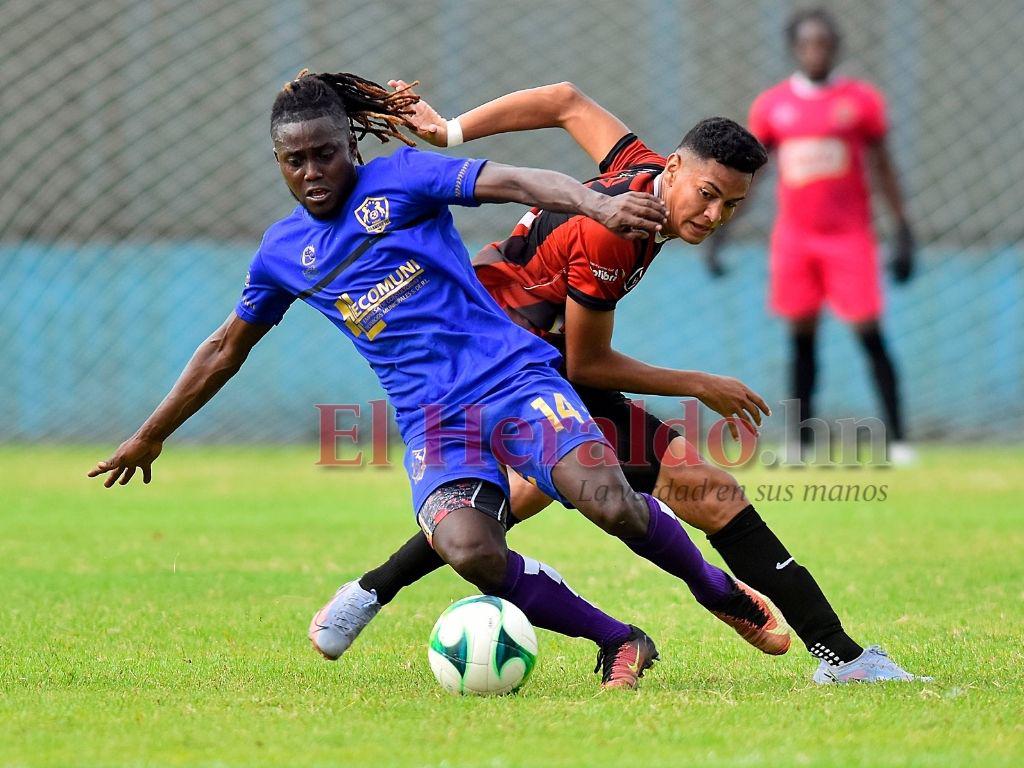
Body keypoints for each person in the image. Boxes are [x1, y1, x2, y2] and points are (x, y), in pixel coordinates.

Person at [87, 70, 776, 690]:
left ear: (351, 149)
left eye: (325, 153)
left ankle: (717, 590)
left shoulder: (403, 179)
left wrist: (599, 208)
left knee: (611, 504)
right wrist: (150, 436)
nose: (312, 171)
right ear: (279, 165)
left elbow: (521, 181)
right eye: (294, 161)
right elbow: (221, 350)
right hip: (434, 422)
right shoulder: (281, 255)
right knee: (470, 550)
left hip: (513, 379)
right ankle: (619, 639)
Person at [325, 78, 929, 684]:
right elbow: (588, 366)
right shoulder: (617, 232)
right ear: (675, 169)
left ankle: (368, 593)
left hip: (526, 358)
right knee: (677, 497)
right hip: (510, 367)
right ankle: (833, 653)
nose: (715, 215)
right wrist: (697, 383)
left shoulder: (641, 172)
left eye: (732, 205)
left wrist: (451, 130)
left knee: (513, 506)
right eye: (708, 194)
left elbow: (564, 100)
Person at [706, 8, 917, 464]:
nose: (815, 50)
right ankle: (801, 442)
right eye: (807, 43)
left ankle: (898, 440)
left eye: (823, 43)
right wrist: (724, 225)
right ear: (795, 48)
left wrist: (903, 230)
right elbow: (752, 176)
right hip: (796, 241)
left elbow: (883, 168)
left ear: (835, 47)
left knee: (869, 333)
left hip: (850, 238)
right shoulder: (773, 106)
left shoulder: (860, 101)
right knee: (802, 339)